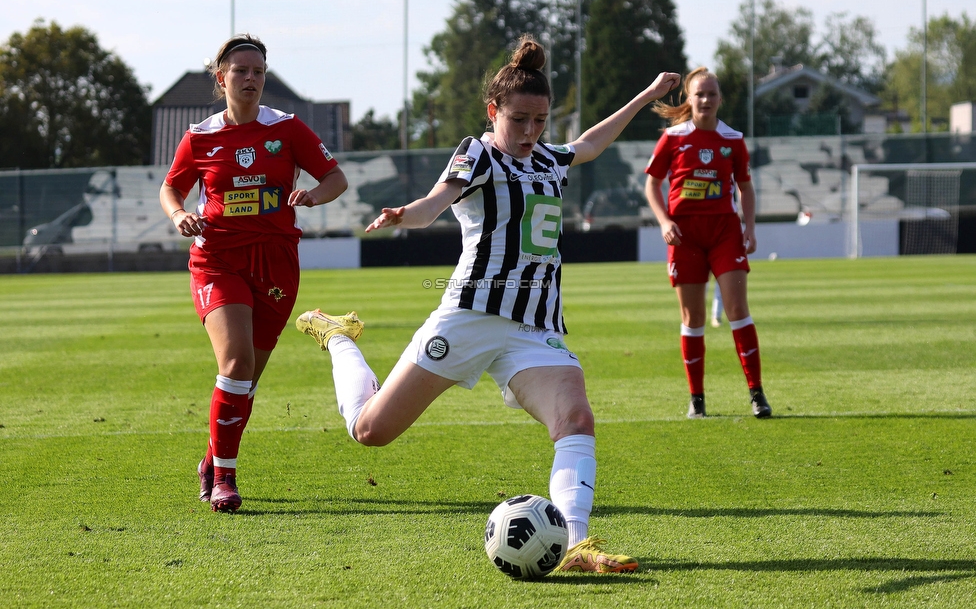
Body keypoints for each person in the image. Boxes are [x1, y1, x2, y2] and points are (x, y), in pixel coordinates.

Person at [296, 35, 679, 573]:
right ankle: (336, 335)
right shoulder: (476, 152)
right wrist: (403, 214)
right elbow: (435, 205)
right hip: (470, 316)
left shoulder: (548, 156)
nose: (529, 132)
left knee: (575, 418)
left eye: (540, 120)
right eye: (519, 119)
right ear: (493, 110)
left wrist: (646, 96)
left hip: (533, 327)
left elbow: (589, 144)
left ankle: (577, 545)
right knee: (370, 431)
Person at [159, 34, 348, 512]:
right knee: (237, 364)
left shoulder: (287, 129)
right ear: (220, 79)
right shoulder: (199, 136)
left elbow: (335, 178)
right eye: (240, 71)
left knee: (247, 379)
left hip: (277, 260)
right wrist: (180, 215)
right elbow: (171, 188)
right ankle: (225, 478)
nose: (250, 79)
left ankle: (211, 458)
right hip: (218, 258)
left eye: (258, 71)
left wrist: (312, 196)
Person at [644, 66, 771, 420]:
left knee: (737, 311)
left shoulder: (733, 140)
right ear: (689, 98)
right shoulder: (673, 138)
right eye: (700, 94)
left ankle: (757, 394)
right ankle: (697, 399)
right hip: (684, 236)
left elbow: (745, 186)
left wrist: (750, 228)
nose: (706, 100)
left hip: (724, 233)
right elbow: (652, 185)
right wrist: (665, 221)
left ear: (720, 99)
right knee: (693, 317)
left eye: (712, 94)